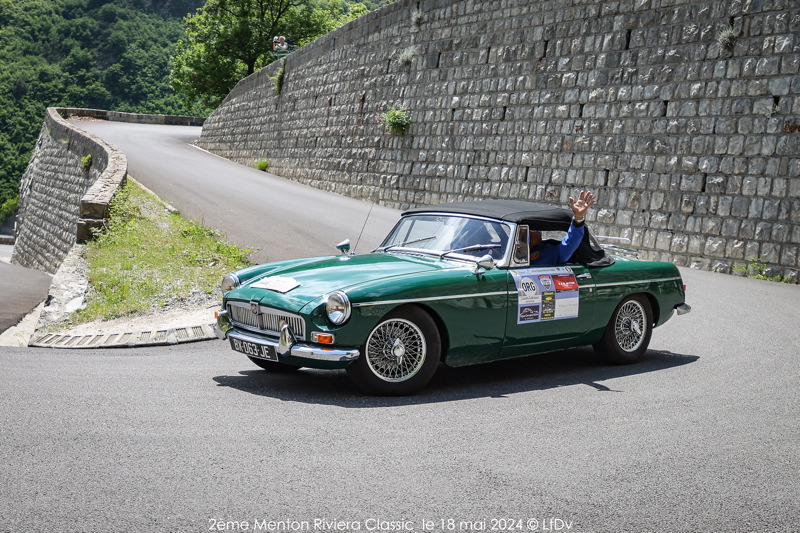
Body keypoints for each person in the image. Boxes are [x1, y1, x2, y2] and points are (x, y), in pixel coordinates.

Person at [530, 190, 596, 265]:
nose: (525, 240)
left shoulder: (549, 253)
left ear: (539, 238)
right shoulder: (518, 251)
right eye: (521, 237)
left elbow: (569, 244)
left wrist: (578, 218)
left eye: (530, 237)